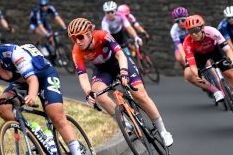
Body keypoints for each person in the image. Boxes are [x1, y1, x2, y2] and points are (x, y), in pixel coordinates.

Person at [67, 17, 173, 147]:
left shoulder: (103, 35)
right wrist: (89, 93)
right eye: (73, 38)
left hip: (119, 62)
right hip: (102, 70)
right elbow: (82, 76)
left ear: (89, 33)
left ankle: (163, 131)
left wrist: (123, 71)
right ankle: (124, 123)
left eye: (80, 37)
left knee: (140, 95)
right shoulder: (76, 51)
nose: (78, 41)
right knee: (99, 94)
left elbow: (120, 55)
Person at [182, 15, 233, 119]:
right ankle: (216, 91)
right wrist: (197, 74)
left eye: (196, 30)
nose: (194, 34)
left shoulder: (212, 31)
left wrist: (230, 60)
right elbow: (192, 65)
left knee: (231, 74)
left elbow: (228, 50)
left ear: (202, 27)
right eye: (190, 31)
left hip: (215, 50)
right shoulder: (187, 42)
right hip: (199, 55)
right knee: (188, 75)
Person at [29, 0, 67, 64]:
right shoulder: (37, 11)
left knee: (51, 37)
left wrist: (64, 27)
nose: (44, 7)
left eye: (45, 5)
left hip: (43, 21)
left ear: (48, 4)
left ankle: (54, 53)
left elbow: (57, 18)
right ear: (40, 6)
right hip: (34, 23)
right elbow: (40, 26)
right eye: (42, 6)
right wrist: (47, 34)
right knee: (43, 34)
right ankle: (41, 46)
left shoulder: (51, 8)